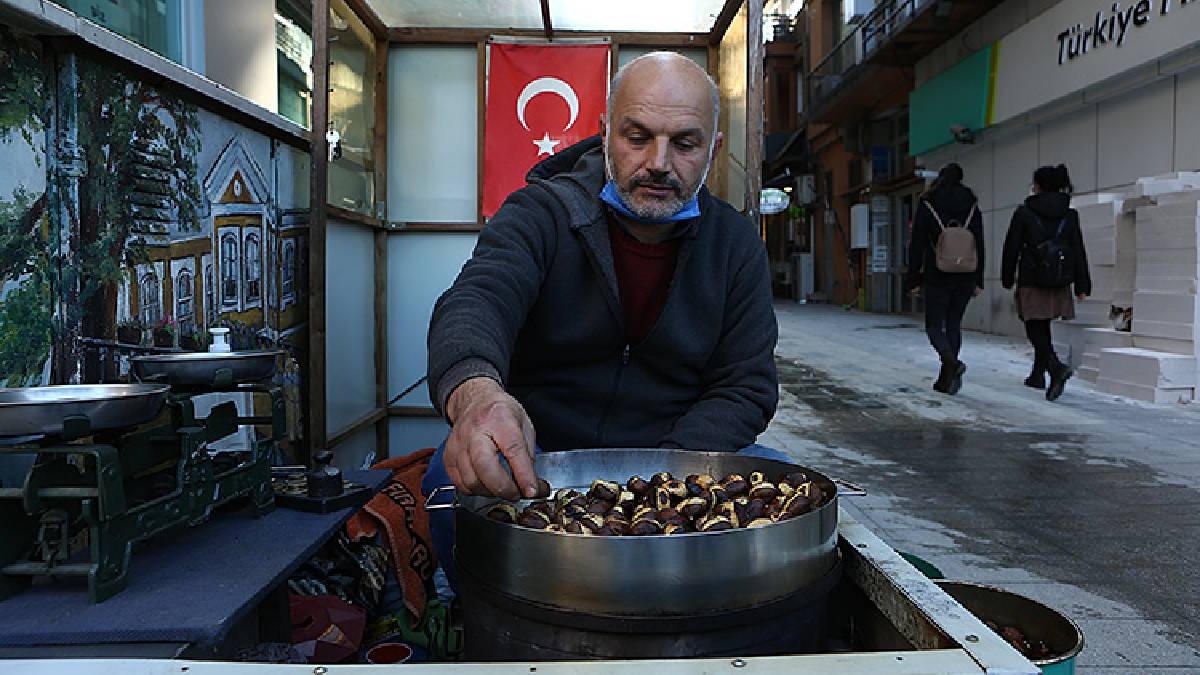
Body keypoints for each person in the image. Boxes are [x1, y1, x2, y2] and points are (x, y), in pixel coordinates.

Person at [421, 52, 779, 583]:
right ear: (605, 131)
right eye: (637, 136)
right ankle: (481, 619)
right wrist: (477, 396)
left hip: (678, 457)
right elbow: (477, 301)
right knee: (450, 480)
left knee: (772, 469)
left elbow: (745, 384)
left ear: (714, 150)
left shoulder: (736, 245)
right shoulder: (539, 214)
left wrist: (665, 479)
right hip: (541, 458)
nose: (659, 162)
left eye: (684, 143)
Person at [1002, 164, 1091, 401]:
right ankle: (1037, 376)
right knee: (1043, 326)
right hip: (1060, 279)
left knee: (1034, 326)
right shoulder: (1069, 214)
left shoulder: (1024, 212)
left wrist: (1007, 276)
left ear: (1038, 186)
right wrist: (1083, 285)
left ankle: (1055, 368)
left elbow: (1011, 246)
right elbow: (1078, 248)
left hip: (1032, 278)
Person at [904, 163, 985, 394]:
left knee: (933, 326)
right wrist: (979, 277)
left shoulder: (928, 203)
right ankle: (946, 378)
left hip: (937, 273)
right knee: (953, 324)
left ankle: (951, 364)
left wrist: (913, 278)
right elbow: (979, 242)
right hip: (967, 273)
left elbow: (917, 242)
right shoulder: (971, 204)